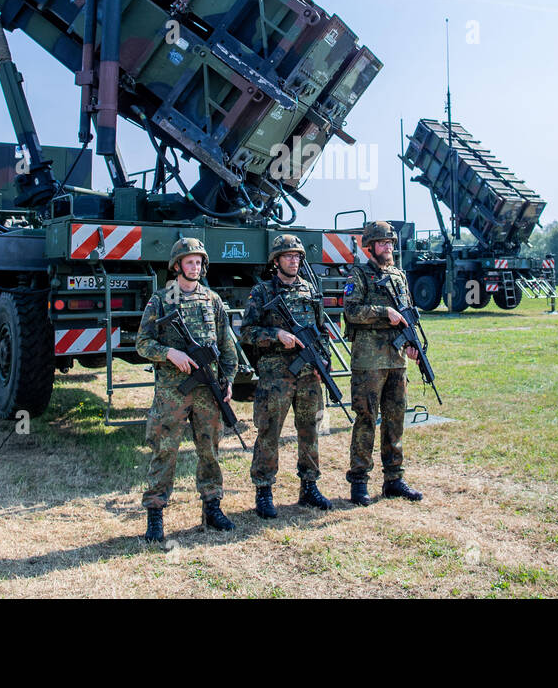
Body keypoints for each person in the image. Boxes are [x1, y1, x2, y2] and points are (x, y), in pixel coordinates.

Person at [135, 237, 238, 543]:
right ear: (177, 265)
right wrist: (169, 353)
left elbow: (226, 345)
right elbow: (142, 343)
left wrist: (228, 379)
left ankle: (212, 507)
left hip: (208, 390)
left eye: (198, 262)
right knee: (165, 450)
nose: (195, 267)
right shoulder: (161, 300)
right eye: (189, 262)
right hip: (173, 391)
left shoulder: (212, 299)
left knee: (210, 450)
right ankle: (155, 513)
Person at [241, 234, 333, 518]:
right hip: (276, 375)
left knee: (310, 429)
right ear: (276, 261)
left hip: (308, 374)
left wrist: (324, 361)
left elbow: (321, 330)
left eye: (297, 256)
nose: (293, 261)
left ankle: (309, 486)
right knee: (269, 432)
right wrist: (276, 335)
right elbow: (247, 332)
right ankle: (264, 490)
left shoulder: (309, 289)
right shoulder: (262, 292)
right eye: (288, 256)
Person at [342, 221, 423, 505]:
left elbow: (407, 314)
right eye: (382, 243)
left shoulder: (399, 275)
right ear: (371, 246)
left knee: (395, 419)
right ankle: (359, 481)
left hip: (396, 360)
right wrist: (383, 311)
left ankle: (394, 479)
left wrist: (412, 344)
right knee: (366, 419)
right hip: (369, 362)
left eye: (390, 242)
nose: (387, 247)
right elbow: (351, 311)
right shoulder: (359, 275)